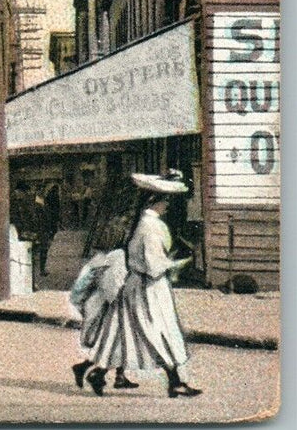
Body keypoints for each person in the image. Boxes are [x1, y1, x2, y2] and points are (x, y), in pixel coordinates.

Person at [86, 170, 201, 399]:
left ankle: (99, 374)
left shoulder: (144, 223)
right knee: (158, 331)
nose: (167, 205)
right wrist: (176, 263)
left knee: (125, 333)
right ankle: (175, 382)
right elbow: (153, 264)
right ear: (154, 201)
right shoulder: (150, 227)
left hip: (139, 284)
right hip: (148, 287)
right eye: (164, 201)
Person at [70, 244, 138, 393]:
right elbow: (112, 287)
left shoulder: (105, 258)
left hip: (104, 306)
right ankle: (91, 371)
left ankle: (118, 376)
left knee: (118, 341)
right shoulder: (115, 257)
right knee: (114, 343)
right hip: (106, 307)